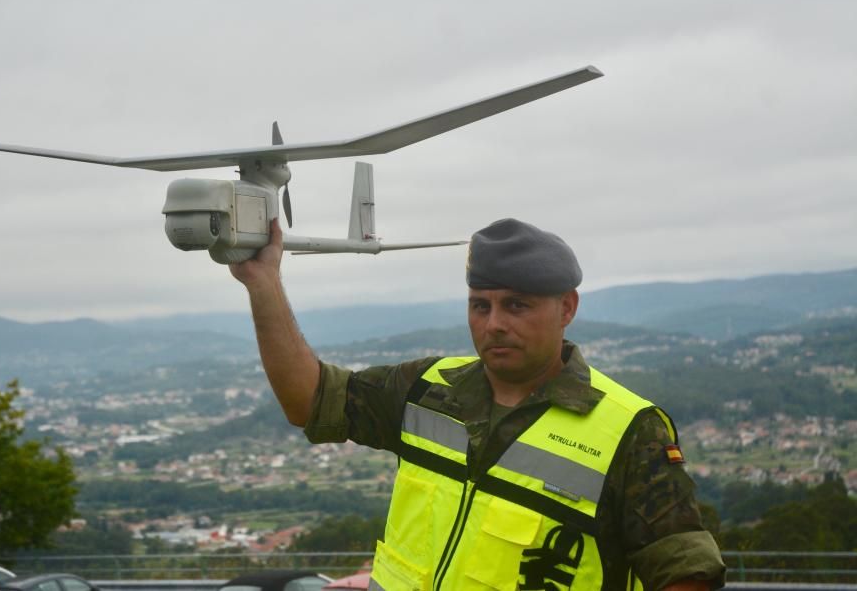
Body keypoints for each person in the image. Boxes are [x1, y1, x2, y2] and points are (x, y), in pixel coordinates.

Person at [230, 217, 725, 590]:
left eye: (517, 305)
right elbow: (310, 400)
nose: (493, 324)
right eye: (480, 305)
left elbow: (684, 571)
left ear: (567, 308)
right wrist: (263, 282)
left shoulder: (629, 431)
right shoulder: (426, 389)